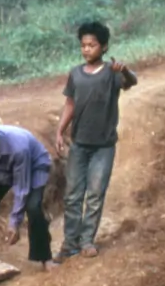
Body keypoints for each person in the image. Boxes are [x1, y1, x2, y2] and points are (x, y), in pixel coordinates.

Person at [54, 22, 138, 262]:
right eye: (83, 45)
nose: (86, 50)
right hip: (79, 143)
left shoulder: (112, 73)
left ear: (104, 47)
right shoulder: (75, 74)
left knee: (95, 194)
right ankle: (69, 243)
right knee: (72, 196)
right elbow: (69, 103)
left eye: (92, 45)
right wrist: (60, 130)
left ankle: (87, 240)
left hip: (103, 146)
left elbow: (132, 82)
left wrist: (125, 71)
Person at [0, 110, 56, 271]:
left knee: (33, 207)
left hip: (34, 166)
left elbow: (22, 187)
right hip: (2, 169)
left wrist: (14, 222)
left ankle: (45, 257)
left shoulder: (18, 147)